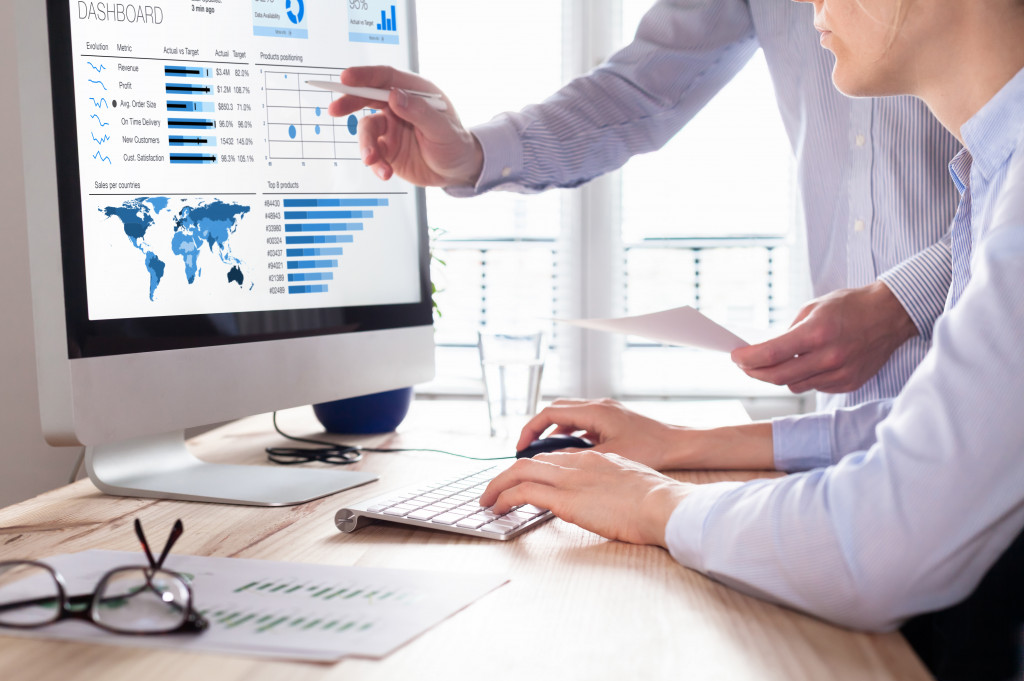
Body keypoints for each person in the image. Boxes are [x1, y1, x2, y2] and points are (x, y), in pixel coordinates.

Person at [474, 0, 1024, 679]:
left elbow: (882, 539)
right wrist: (686, 446)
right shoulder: (993, 174)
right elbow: (951, 429)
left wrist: (654, 503)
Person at [329, 0, 961, 415]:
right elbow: (642, 91)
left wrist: (906, 300)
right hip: (850, 413)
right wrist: (469, 154)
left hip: (987, 384)